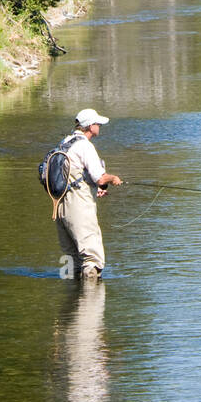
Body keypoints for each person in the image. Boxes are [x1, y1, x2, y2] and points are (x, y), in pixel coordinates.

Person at [55, 108, 123, 281]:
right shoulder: (85, 146)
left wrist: (96, 186)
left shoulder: (65, 142)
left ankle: (70, 297)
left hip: (60, 205)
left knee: (71, 259)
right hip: (78, 205)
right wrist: (113, 178)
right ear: (90, 126)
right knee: (92, 258)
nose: (100, 125)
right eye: (97, 123)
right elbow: (100, 178)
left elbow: (76, 173)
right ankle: (90, 302)